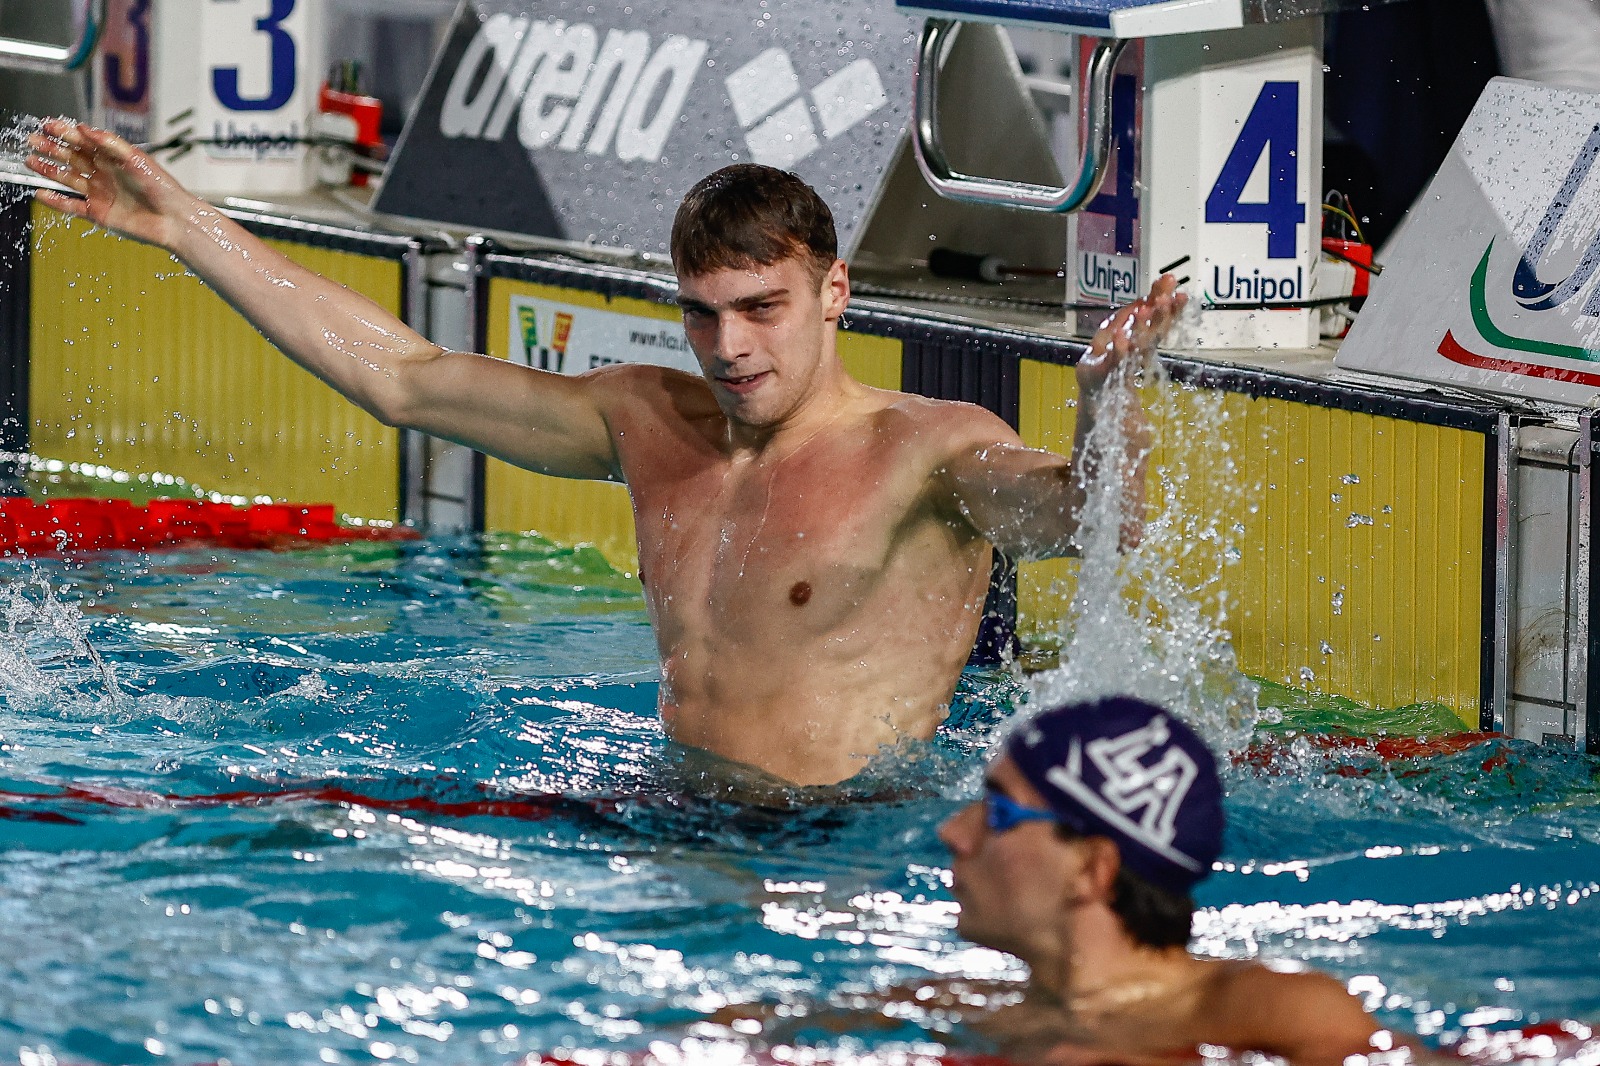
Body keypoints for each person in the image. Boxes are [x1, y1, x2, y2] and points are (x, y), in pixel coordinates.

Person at [25, 121, 1186, 788]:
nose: (729, 347)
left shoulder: (928, 451)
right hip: (661, 809)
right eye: (701, 313)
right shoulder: (647, 421)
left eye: (762, 308)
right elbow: (404, 378)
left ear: (834, 292)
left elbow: (1098, 520)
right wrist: (184, 223)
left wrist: (1107, 404)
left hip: (833, 850)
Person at [937, 696, 1394, 1064]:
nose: (953, 831)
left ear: (1092, 870)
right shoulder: (964, 1015)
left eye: (999, 813)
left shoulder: (1283, 1013)